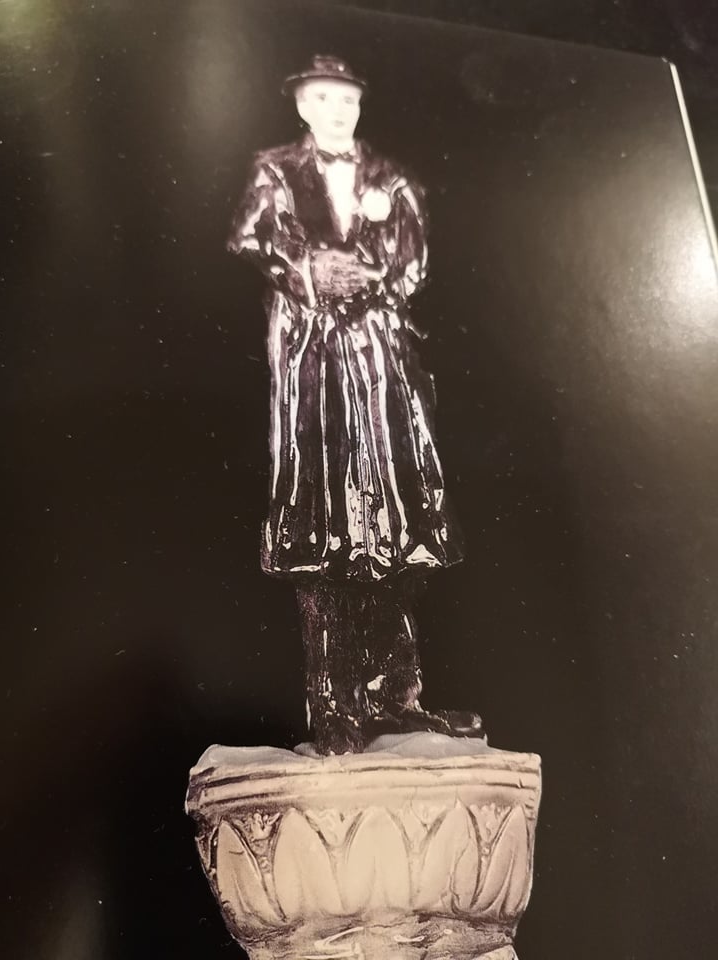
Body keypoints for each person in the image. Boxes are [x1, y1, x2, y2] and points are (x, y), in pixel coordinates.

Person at [227, 54, 482, 753]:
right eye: (323, 98)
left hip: (378, 359)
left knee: (394, 517)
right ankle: (333, 705)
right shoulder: (277, 170)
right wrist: (309, 271)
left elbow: (413, 260)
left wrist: (371, 279)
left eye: (346, 99)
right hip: (313, 360)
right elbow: (251, 236)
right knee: (323, 520)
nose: (336, 110)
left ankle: (396, 697)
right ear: (302, 105)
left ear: (359, 105)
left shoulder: (388, 176)